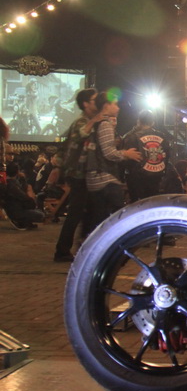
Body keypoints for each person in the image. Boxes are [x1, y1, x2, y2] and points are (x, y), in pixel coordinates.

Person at [53, 88, 99, 262]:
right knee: (76, 212)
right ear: (86, 104)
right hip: (78, 174)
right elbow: (81, 135)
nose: (98, 103)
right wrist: (96, 119)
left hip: (84, 174)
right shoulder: (82, 122)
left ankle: (81, 247)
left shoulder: (88, 121)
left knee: (86, 211)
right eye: (94, 100)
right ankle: (62, 250)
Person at [85, 92, 141, 233]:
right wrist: (126, 154)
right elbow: (109, 153)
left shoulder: (95, 122)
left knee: (99, 218)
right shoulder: (105, 124)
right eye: (115, 104)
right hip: (104, 177)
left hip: (95, 177)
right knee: (117, 215)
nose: (118, 108)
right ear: (106, 105)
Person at [121, 109, 171, 202]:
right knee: (152, 203)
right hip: (156, 177)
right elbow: (167, 157)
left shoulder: (132, 137)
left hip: (137, 179)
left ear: (139, 121)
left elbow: (125, 160)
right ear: (152, 122)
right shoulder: (163, 137)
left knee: (138, 205)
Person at [0, 162, 45, 229]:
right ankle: (21, 222)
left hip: (12, 210)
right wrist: (31, 201)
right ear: (17, 172)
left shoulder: (7, 183)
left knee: (38, 211)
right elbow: (24, 196)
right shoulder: (12, 184)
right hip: (17, 211)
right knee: (41, 215)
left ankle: (25, 222)